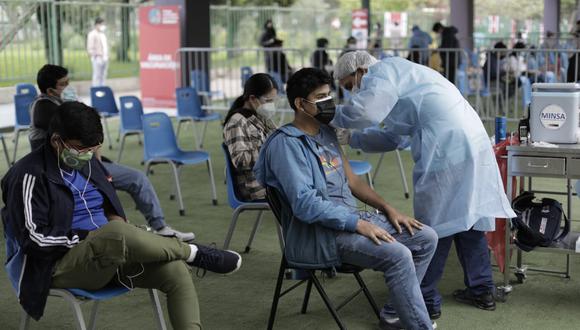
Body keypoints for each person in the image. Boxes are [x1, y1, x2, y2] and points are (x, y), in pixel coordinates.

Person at [2, 102, 242, 328]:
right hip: (56, 267)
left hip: (108, 252)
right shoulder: (28, 176)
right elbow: (35, 241)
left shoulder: (86, 162)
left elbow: (110, 209)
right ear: (56, 140)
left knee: (176, 271)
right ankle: (193, 251)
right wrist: (92, 236)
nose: (90, 155)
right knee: (116, 233)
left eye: (95, 149)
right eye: (83, 149)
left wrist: (118, 227)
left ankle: (183, 254)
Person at [332, 51, 516, 320]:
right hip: (470, 144)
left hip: (447, 150)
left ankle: (426, 297)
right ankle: (482, 290)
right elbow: (394, 138)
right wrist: (353, 138)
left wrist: (328, 115)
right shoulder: (404, 78)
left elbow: (366, 112)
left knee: (433, 230)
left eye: (350, 85)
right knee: (470, 219)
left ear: (360, 70)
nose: (352, 92)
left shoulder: (381, 73)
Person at [254, 68, 438, 330]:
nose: (329, 102)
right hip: (321, 234)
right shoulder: (286, 145)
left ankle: (394, 313)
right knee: (398, 255)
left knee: (426, 237)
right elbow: (305, 204)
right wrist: (358, 224)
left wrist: (388, 209)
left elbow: (352, 181)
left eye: (330, 95)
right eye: (321, 96)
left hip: (351, 220)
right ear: (300, 104)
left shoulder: (326, 133)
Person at [28, 64, 194, 241]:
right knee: (127, 182)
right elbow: (76, 132)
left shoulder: (59, 104)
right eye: (64, 83)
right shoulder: (42, 108)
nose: (69, 86)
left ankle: (157, 227)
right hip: (71, 169)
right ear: (50, 90)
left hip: (85, 164)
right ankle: (132, 231)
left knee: (136, 179)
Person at [223, 73, 278, 201]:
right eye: (268, 100)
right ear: (253, 99)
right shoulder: (237, 122)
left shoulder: (260, 116)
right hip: (257, 186)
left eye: (273, 100)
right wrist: (270, 151)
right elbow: (240, 160)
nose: (272, 105)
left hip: (270, 180)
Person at [87, 17, 108, 87]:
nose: (103, 26)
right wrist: (97, 54)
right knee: (97, 75)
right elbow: (90, 48)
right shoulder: (92, 34)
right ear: (97, 24)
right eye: (102, 24)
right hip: (97, 58)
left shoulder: (102, 34)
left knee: (103, 75)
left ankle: (102, 90)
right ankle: (96, 91)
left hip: (104, 58)